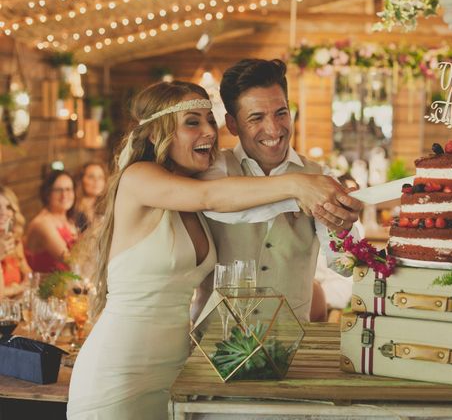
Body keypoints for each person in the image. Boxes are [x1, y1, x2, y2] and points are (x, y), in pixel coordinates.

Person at [67, 80, 348, 419]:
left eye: (209, 119)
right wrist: (298, 183)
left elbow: (246, 206)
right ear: (157, 134)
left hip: (177, 370)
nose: (209, 132)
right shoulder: (139, 178)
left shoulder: (194, 194)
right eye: (192, 122)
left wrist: (329, 200)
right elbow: (213, 197)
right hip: (119, 372)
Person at [201, 59, 364, 321]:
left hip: (290, 345)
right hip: (215, 341)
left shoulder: (320, 176)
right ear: (232, 124)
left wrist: (342, 229)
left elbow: (345, 266)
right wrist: (296, 191)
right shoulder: (214, 170)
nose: (274, 129)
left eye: (281, 113)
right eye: (256, 118)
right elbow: (222, 207)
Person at [24, 170, 78, 273]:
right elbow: (70, 261)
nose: (64, 195)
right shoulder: (42, 223)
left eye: (68, 189)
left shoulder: (67, 219)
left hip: (65, 283)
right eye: (58, 190)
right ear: (47, 194)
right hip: (46, 286)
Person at [0, 185, 32, 298]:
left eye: (8, 207)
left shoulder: (14, 240)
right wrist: (15, 289)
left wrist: (28, 281)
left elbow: (28, 273)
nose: (3, 212)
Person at [75, 161, 107, 232]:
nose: (96, 181)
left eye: (100, 177)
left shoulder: (104, 208)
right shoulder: (74, 210)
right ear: (81, 180)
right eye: (91, 177)